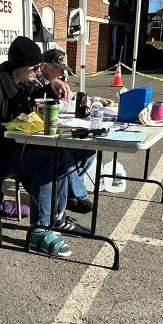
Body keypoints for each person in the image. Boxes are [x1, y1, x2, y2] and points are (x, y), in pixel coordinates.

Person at [0, 36, 91, 258]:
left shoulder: (18, 80)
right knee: (48, 160)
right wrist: (9, 128)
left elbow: (29, 97)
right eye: (36, 67)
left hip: (9, 150)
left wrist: (51, 86)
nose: (39, 70)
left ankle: (56, 216)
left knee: (62, 153)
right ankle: (39, 230)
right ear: (21, 65)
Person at [40, 47, 94, 213]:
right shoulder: (36, 82)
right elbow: (50, 105)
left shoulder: (59, 82)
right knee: (64, 154)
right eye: (57, 69)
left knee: (89, 149)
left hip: (59, 131)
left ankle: (71, 191)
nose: (61, 73)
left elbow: (71, 98)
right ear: (45, 66)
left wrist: (95, 100)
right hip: (40, 139)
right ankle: (79, 195)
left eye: (63, 69)